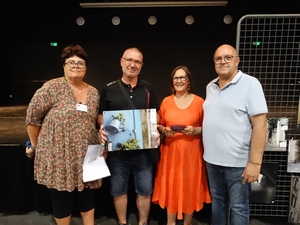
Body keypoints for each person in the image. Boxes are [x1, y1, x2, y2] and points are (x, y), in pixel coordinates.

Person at [25, 44, 104, 225]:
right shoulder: (51, 88)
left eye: (80, 63)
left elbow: (94, 121)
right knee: (61, 199)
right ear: (64, 65)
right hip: (59, 154)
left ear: (86, 68)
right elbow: (32, 120)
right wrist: (37, 146)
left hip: (90, 152)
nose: (76, 66)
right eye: (71, 62)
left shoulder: (93, 92)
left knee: (88, 197)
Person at [202, 44, 268, 225]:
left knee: (239, 207)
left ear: (237, 60)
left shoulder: (250, 84)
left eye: (228, 57)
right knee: (218, 204)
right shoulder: (210, 86)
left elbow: (260, 125)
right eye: (218, 59)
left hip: (238, 164)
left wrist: (255, 163)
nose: (223, 61)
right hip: (212, 162)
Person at [98, 47, 160, 225]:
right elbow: (101, 114)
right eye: (129, 60)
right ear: (121, 61)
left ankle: (142, 222)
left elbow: (156, 113)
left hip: (144, 152)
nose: (133, 65)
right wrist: (102, 125)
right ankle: (123, 222)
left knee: (145, 190)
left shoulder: (148, 88)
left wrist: (153, 126)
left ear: (141, 65)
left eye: (137, 62)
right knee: (118, 190)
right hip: (118, 151)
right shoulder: (108, 89)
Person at [152, 65, 211, 225]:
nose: (179, 81)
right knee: (172, 185)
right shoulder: (166, 101)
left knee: (190, 186)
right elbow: (159, 124)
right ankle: (170, 222)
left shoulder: (200, 102)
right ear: (172, 82)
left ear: (188, 80)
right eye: (176, 78)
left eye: (182, 77)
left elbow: (209, 127)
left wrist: (196, 130)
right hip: (171, 154)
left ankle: (187, 222)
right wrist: (164, 130)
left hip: (192, 154)